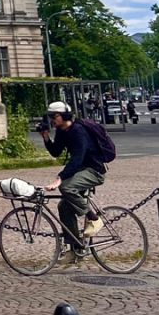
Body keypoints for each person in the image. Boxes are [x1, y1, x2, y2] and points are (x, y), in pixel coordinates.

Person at [39, 100, 107, 260]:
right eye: (50, 117)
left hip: (93, 171)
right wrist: (46, 137)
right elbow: (56, 152)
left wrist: (60, 179)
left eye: (53, 116)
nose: (51, 120)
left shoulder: (78, 131)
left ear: (62, 115)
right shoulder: (63, 131)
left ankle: (94, 219)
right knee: (64, 207)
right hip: (80, 171)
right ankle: (76, 249)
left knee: (67, 187)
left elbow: (77, 158)